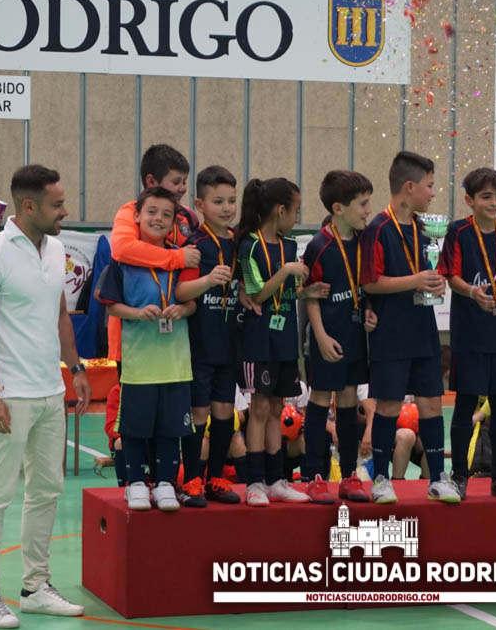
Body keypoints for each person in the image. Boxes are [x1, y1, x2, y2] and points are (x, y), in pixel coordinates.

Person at [0, 165, 90, 627]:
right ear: (29, 206)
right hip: (8, 395)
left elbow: (60, 314)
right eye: (57, 204)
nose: (65, 211)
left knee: (46, 492)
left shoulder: (55, 249)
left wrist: (75, 368)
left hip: (50, 392)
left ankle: (35, 587)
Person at [359, 151, 459, 504]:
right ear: (409, 187)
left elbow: (429, 272)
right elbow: (370, 283)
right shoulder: (378, 229)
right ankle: (381, 479)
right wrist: (416, 280)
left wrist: (434, 283)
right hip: (390, 333)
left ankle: (438, 477)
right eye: (429, 186)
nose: (433, 193)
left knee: (432, 402)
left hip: (423, 328)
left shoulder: (424, 229)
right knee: (389, 406)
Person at [99, 187, 196, 512]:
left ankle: (166, 483)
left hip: (175, 362)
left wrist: (183, 309)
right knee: (134, 428)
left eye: (166, 215)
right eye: (152, 212)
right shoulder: (123, 261)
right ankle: (136, 484)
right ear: (137, 216)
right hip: (138, 363)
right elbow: (111, 305)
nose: (158, 219)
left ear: (174, 222)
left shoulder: (181, 256)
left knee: (171, 428)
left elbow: (191, 302)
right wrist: (138, 313)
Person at [438, 167, 496, 500]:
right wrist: (472, 292)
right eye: (486, 197)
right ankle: (459, 475)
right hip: (470, 333)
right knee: (465, 403)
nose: (494, 203)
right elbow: (451, 276)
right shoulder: (459, 231)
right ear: (469, 200)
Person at [236, 177, 326, 507]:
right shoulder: (249, 246)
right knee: (259, 408)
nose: (297, 218)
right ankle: (254, 482)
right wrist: (286, 271)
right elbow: (258, 293)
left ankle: (276, 480)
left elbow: (285, 292)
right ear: (280, 210)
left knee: (276, 408)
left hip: (284, 337)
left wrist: (306, 291)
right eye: (296, 210)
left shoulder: (288, 245)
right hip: (258, 339)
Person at [301, 170, 377, 503]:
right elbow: (311, 296)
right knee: (320, 400)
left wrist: (370, 310)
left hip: (355, 334)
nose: (368, 210)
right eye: (362, 204)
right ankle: (314, 476)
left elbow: (366, 285)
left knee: (347, 401)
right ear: (338, 208)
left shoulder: (365, 240)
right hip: (327, 337)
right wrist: (319, 336)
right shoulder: (319, 246)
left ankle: (349, 476)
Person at [175, 165, 244, 506]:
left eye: (231, 200)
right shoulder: (195, 245)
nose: (227, 208)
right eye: (218, 201)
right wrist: (207, 280)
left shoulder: (241, 242)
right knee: (199, 413)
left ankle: (216, 477)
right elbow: (180, 291)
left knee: (224, 411)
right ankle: (191, 481)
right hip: (199, 345)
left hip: (230, 344)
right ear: (200, 205)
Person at [108, 144, 200, 376]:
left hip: (176, 339)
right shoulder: (131, 211)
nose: (183, 188)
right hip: (133, 338)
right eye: (176, 181)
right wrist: (177, 257)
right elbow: (122, 248)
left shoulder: (188, 218)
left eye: (184, 181)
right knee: (130, 397)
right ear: (151, 181)